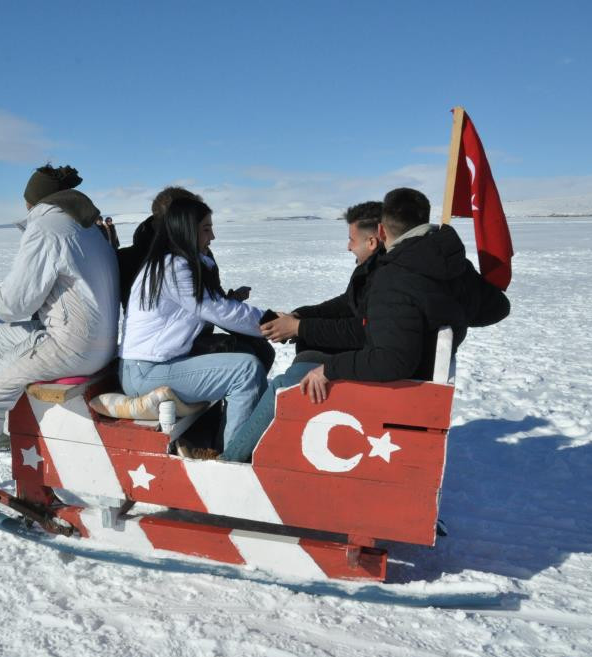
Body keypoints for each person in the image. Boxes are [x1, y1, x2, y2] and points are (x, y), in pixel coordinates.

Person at [224, 187, 510, 462]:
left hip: (402, 388)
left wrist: (328, 366)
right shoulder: (443, 262)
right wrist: (301, 319)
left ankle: (228, 460)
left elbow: (388, 357)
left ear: (381, 232)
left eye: (351, 239)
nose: (348, 246)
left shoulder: (396, 277)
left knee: (283, 385)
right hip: (414, 374)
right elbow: (496, 307)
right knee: (306, 356)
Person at [0, 164, 119, 519]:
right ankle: (7, 428)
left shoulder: (47, 228)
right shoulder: (87, 227)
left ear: (34, 201)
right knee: (4, 337)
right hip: (101, 343)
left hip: (70, 346)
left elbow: (16, 302)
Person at [119, 197, 269, 459]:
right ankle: (232, 460)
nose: (213, 236)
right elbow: (216, 309)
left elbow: (215, 306)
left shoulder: (178, 263)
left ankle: (220, 445)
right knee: (246, 370)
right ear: (186, 230)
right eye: (206, 229)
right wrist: (273, 322)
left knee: (246, 359)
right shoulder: (174, 268)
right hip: (146, 370)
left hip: (160, 363)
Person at [261, 201, 383, 357]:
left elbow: (366, 332)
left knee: (308, 346)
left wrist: (299, 327)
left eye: (352, 240)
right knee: (307, 342)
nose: (348, 247)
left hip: (375, 357)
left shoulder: (387, 276)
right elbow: (348, 303)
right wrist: (299, 316)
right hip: (365, 349)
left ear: (371, 242)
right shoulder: (368, 267)